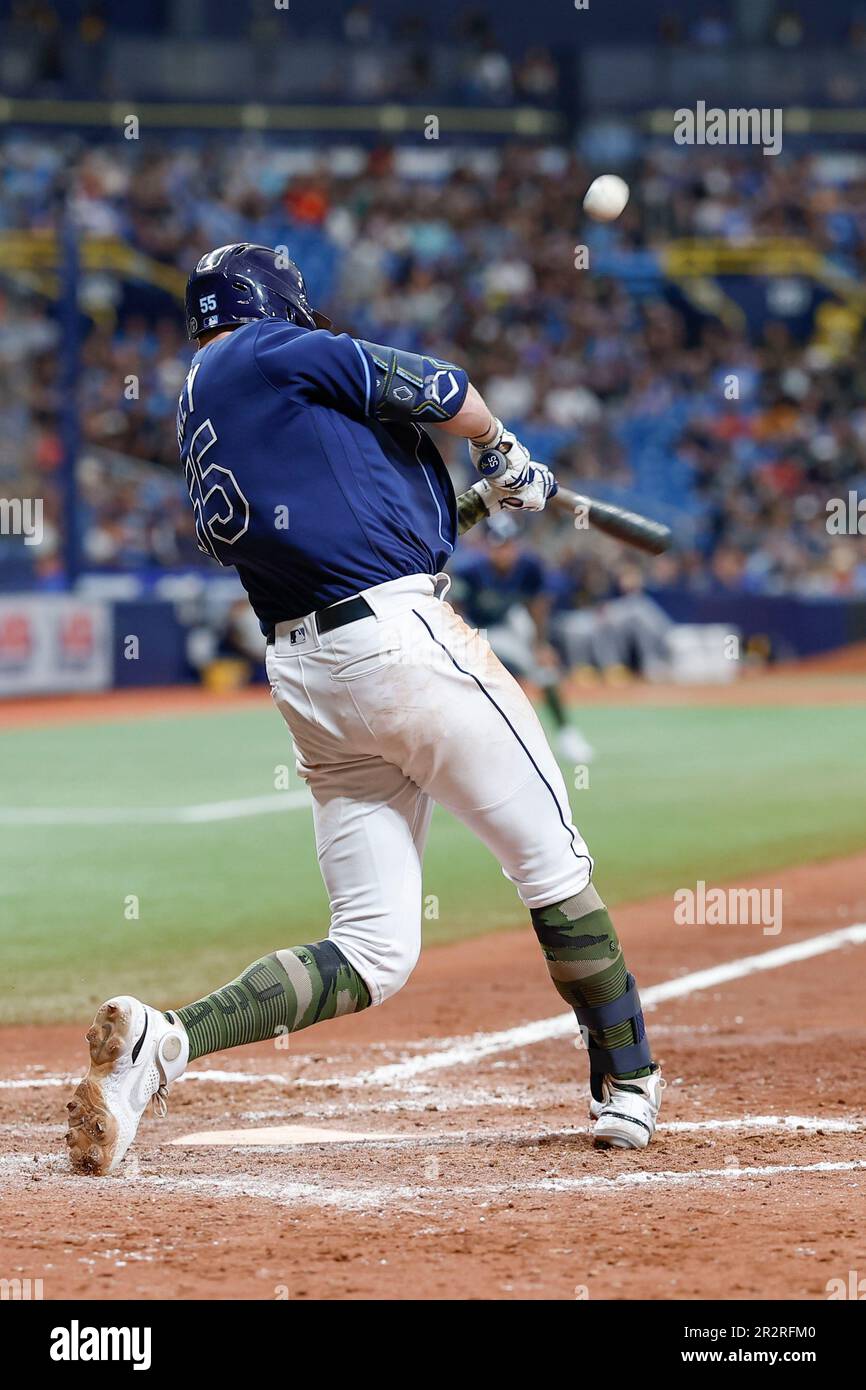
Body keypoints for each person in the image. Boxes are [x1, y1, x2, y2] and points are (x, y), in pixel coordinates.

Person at [65, 243, 662, 1177]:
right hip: (400, 652)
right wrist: (502, 446)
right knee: (551, 861)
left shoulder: (207, 399)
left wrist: (482, 502)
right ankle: (628, 1083)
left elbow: (366, 527)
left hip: (316, 679)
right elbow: (433, 382)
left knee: (373, 948)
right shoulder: (267, 349)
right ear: (271, 304)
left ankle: (164, 1042)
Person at [450, 514, 595, 764]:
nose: (504, 551)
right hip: (475, 628)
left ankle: (566, 734)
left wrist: (540, 645)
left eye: (508, 544)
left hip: (510, 623)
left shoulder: (529, 565)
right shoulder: (469, 569)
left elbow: (538, 606)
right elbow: (454, 609)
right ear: (486, 545)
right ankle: (471, 741)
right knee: (470, 680)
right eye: (498, 545)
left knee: (545, 670)